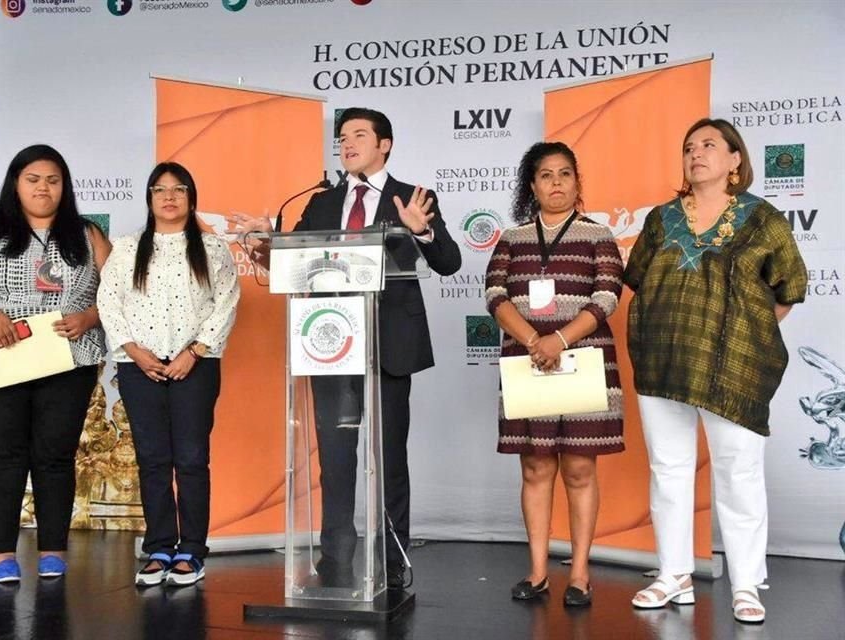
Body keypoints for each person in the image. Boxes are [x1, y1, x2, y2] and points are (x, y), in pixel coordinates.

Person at [237, 107, 461, 589]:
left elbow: (448, 262)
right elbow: (292, 256)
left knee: (389, 458)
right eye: (342, 137)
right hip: (331, 343)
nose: (348, 143)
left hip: (390, 346)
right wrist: (265, 249)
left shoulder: (412, 197)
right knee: (336, 459)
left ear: (386, 144)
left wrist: (420, 230)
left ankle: (393, 557)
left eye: (360, 135)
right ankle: (335, 559)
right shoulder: (320, 202)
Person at [625, 119, 807, 623]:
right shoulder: (661, 220)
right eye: (688, 147)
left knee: (738, 472)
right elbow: (639, 280)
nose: (696, 153)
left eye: (709, 145)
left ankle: (747, 584)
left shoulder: (762, 219)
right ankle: (673, 574)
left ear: (734, 160)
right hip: (663, 357)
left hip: (733, 365)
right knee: (669, 469)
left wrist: (738, 332)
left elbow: (787, 290)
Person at [0, 144, 110, 582]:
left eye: (53, 180)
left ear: (64, 187)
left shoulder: (87, 234)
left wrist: (90, 316)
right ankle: (2, 557)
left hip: (67, 357)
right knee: (3, 456)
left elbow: (116, 293)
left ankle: (54, 551)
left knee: (55, 456)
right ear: (16, 183)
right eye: (33, 179)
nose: (43, 188)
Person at [485, 141, 625, 607]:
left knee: (581, 468)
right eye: (546, 175)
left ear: (577, 182)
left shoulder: (598, 235)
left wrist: (559, 341)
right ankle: (539, 572)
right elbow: (494, 295)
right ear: (533, 185)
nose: (557, 183)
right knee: (535, 466)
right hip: (527, 365)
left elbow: (607, 296)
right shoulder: (511, 238)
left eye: (565, 174)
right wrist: (534, 343)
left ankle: (581, 573)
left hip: (584, 363)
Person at [97, 162, 240, 588]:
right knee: (153, 459)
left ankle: (193, 550)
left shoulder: (212, 250)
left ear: (191, 197)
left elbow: (227, 302)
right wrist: (136, 354)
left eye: (178, 189)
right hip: (140, 367)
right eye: (160, 190)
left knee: (192, 460)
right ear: (149, 198)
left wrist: (194, 353)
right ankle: (159, 547)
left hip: (194, 367)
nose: (169, 197)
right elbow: (109, 303)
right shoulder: (126, 248)